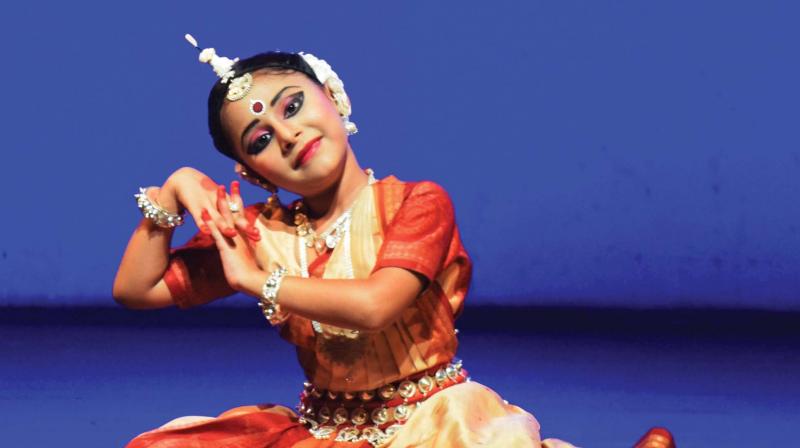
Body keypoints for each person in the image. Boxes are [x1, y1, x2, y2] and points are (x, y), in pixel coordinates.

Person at [113, 36, 675, 448]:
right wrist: (175, 189)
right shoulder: (263, 233)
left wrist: (258, 281)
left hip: (434, 423)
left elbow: (376, 304)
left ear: (333, 95)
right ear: (254, 172)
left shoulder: (415, 204)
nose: (288, 134)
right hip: (324, 432)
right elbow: (136, 289)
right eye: (261, 139)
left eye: (292, 105)